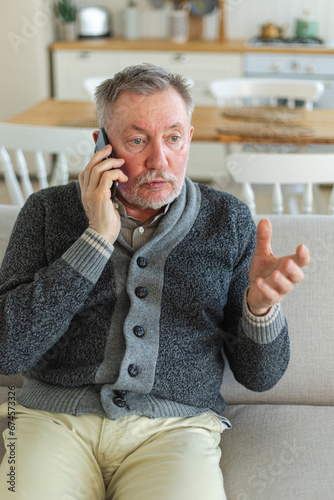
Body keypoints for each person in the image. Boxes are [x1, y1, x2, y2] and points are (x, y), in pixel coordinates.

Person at [0, 64, 310, 500]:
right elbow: (7, 351)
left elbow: (260, 378)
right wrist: (95, 240)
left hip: (175, 428)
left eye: (174, 137)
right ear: (101, 145)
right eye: (138, 140)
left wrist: (259, 310)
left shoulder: (229, 222)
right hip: (53, 419)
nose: (159, 161)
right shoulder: (47, 211)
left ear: (190, 137)